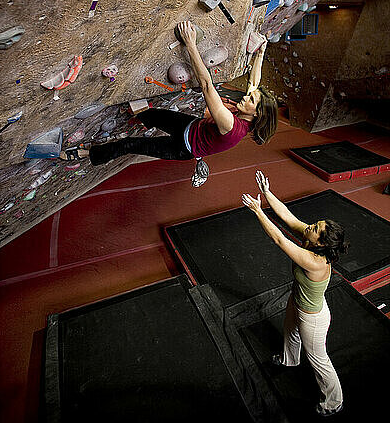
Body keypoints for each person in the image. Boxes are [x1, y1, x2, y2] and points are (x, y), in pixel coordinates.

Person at [61, 22, 278, 185]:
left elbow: (205, 85)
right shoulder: (247, 112)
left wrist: (190, 44)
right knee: (153, 115)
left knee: (129, 145)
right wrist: (261, 53)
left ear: (256, 114)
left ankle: (88, 154)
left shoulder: (231, 125)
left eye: (251, 100)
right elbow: (254, 83)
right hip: (191, 127)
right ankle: (131, 119)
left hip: (183, 148)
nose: (246, 97)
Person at [242, 170, 349, 417]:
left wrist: (258, 211)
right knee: (290, 331)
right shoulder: (312, 238)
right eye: (315, 224)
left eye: (315, 227)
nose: (310, 225)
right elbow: (288, 217)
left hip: (313, 317)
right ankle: (290, 360)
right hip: (298, 300)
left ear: (321, 243)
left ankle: (334, 401)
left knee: (318, 359)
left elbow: (280, 240)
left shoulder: (315, 260)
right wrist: (268, 193)